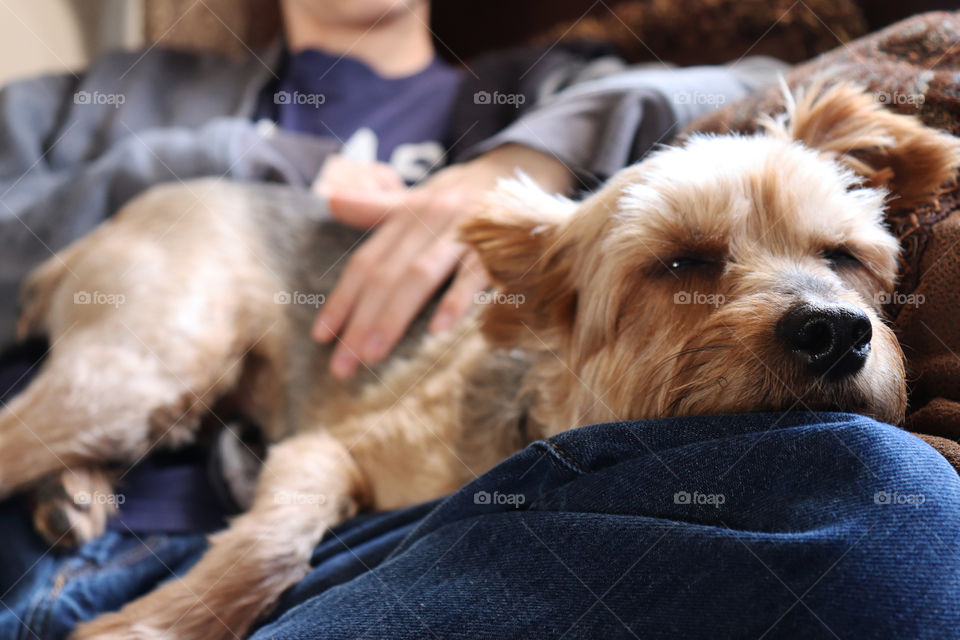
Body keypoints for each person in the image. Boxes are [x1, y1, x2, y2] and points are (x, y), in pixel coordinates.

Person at [0, 0, 819, 637]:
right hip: (61, 552)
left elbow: (778, 86)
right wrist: (217, 158)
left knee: (886, 496)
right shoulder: (115, 91)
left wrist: (528, 151)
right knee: (130, 382)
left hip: (383, 553)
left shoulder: (539, 85)